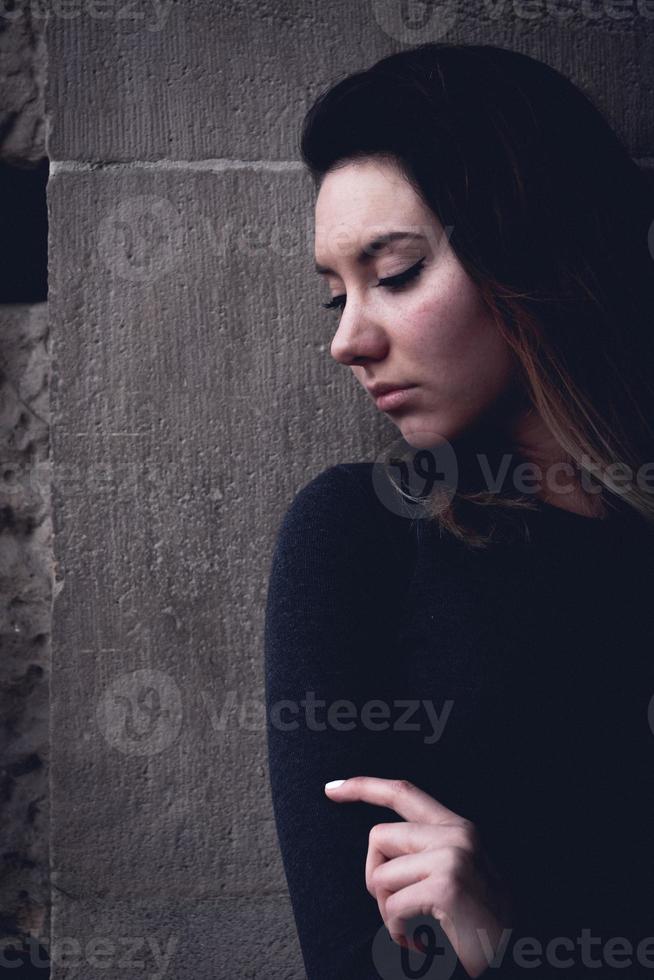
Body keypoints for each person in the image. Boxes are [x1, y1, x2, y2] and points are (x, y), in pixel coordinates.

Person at [264, 42, 654, 979]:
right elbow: (358, 963)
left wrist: (509, 939)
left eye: (394, 274)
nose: (348, 340)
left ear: (532, 253)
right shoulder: (361, 542)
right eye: (334, 295)